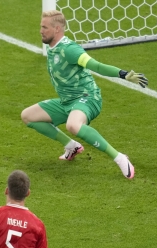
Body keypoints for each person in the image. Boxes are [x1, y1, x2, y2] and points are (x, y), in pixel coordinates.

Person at [21, 10, 149, 179]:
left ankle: (119, 158)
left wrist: (123, 74)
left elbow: (96, 66)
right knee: (28, 116)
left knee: (73, 125)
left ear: (57, 29)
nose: (41, 30)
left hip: (88, 98)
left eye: (44, 27)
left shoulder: (70, 50)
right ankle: (71, 146)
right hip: (67, 101)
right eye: (41, 26)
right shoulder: (53, 47)